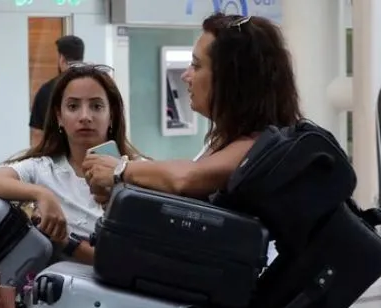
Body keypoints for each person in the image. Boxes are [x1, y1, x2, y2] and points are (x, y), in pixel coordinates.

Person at [82, 13, 300, 204]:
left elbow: (184, 179)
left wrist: (121, 170)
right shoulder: (226, 140)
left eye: (196, 65)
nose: (186, 76)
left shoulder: (258, 146)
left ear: (231, 78)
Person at [0, 64, 140, 265]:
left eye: (96, 106)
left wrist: (66, 242)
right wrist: (41, 194)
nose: (85, 117)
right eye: (73, 106)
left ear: (112, 116)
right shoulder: (42, 170)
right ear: (59, 117)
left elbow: (129, 263)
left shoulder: (136, 172)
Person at [29, 35, 85, 147]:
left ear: (62, 59)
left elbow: (37, 133)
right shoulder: (95, 85)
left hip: (55, 156)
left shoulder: (47, 90)